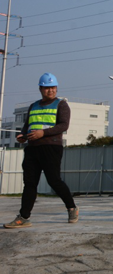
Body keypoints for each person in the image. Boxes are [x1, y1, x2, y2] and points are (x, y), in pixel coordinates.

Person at [4, 73, 78, 229]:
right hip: (32, 148)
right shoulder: (34, 106)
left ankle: (72, 208)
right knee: (29, 183)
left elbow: (63, 125)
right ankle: (24, 217)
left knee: (54, 180)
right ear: (40, 89)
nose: (50, 90)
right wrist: (23, 136)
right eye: (47, 88)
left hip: (51, 147)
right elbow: (27, 125)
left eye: (53, 87)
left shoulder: (61, 105)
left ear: (56, 88)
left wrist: (43, 133)